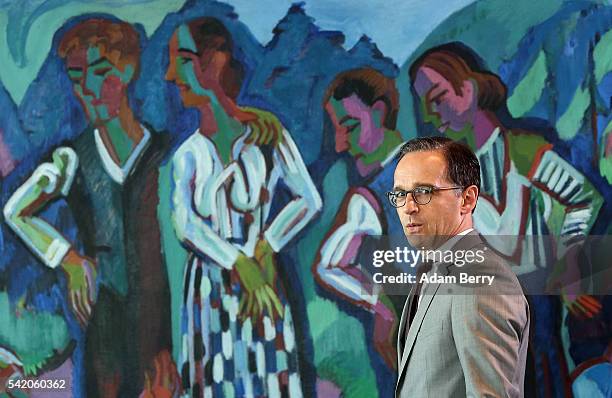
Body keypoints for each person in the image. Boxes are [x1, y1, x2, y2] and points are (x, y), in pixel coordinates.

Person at [4, 18, 174, 397]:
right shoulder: (72, 159)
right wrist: (68, 258)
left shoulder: (165, 155)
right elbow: (16, 212)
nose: (89, 89)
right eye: (77, 76)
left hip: (163, 325)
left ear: (128, 70)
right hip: (105, 328)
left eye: (100, 72)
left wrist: (167, 343)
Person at [165, 17, 321, 397]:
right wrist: (238, 263)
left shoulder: (267, 136)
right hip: (210, 287)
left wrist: (265, 247)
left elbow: (309, 199)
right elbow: (185, 223)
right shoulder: (188, 154)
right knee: (216, 380)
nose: (171, 74)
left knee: (269, 374)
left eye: (182, 60)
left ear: (215, 61)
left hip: (264, 276)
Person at [390, 137, 530, 397]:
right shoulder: (432, 271)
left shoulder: (481, 277)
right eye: (400, 194)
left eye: (424, 192)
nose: (408, 207)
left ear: (467, 199)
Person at [313, 68, 402, 373]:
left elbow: (329, 266)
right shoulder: (367, 197)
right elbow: (327, 266)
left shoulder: (371, 195)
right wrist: (381, 302)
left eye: (349, 127)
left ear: (379, 112)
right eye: (336, 130)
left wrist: (379, 302)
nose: (340, 145)